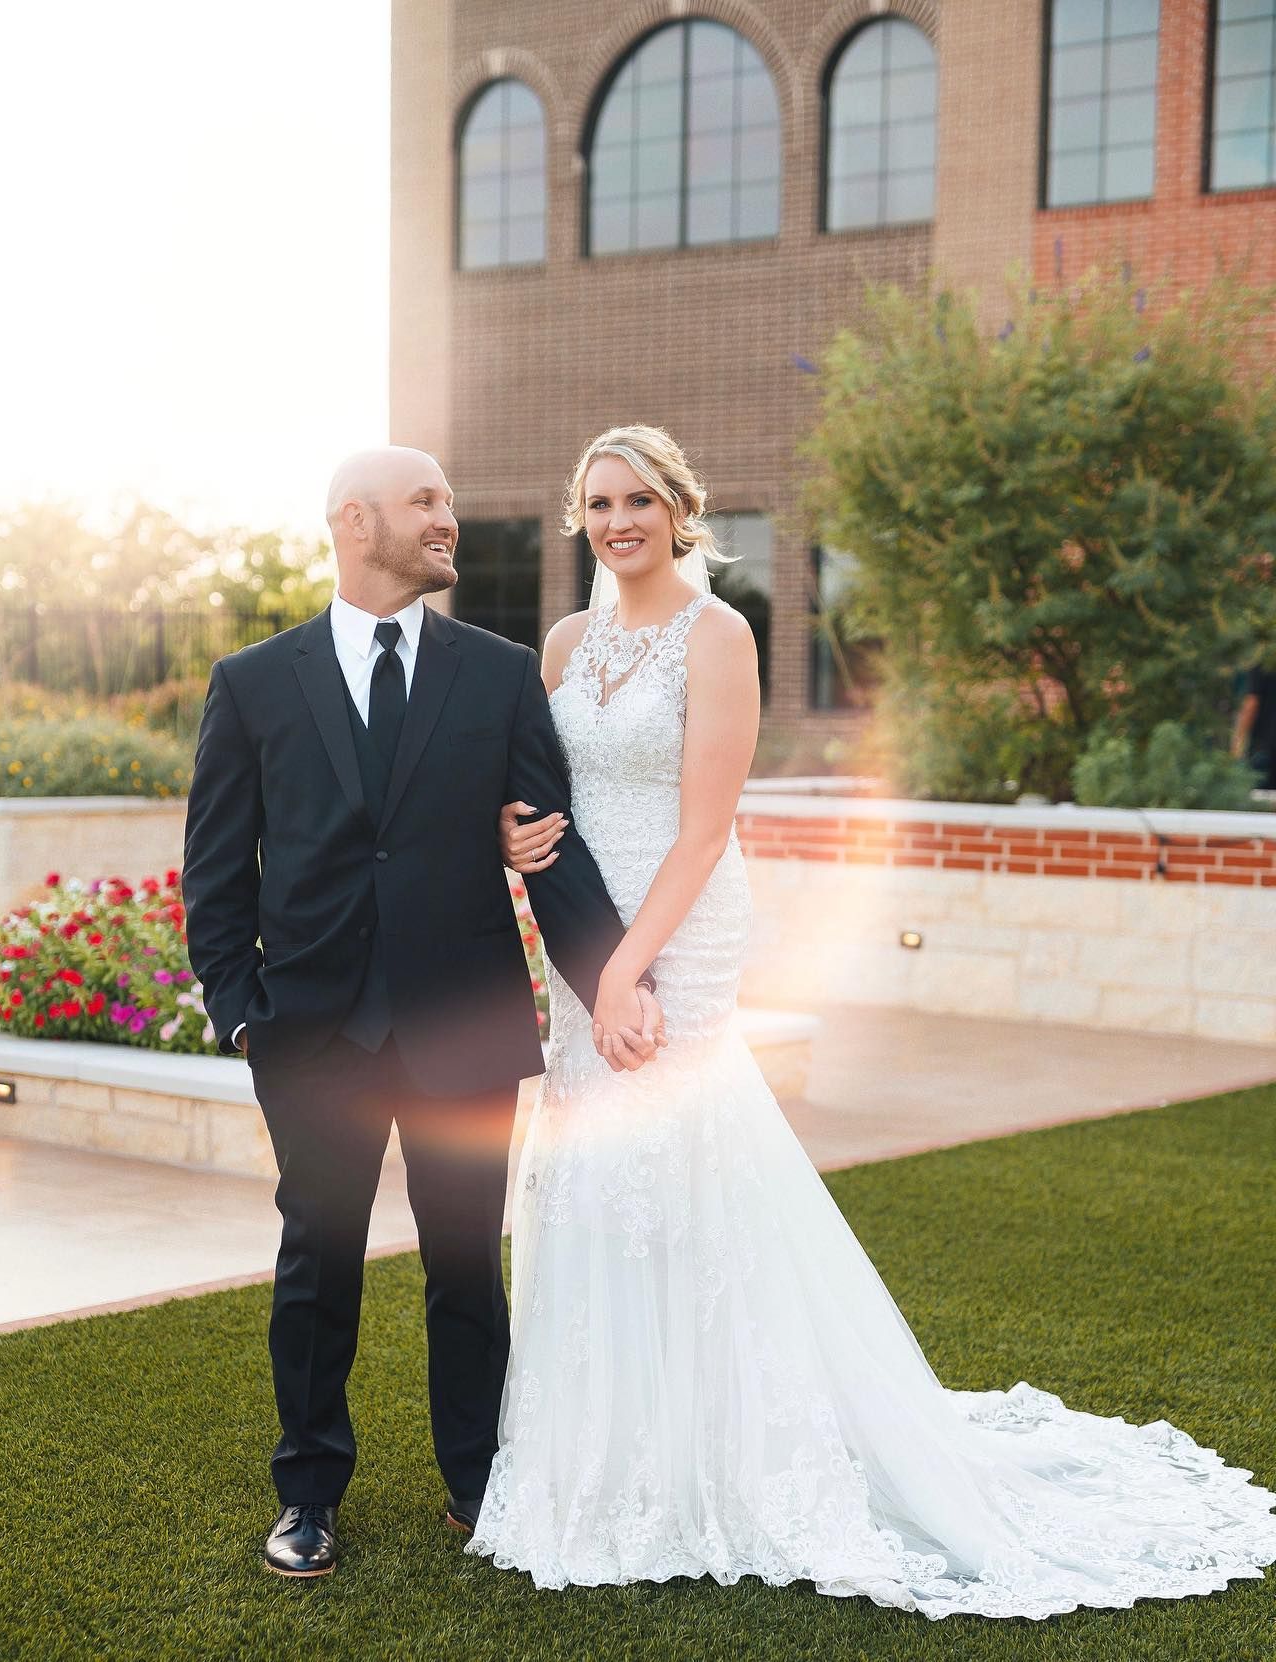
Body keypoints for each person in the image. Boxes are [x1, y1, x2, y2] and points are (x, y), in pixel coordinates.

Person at [466, 424, 1276, 1616]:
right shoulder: (565, 642)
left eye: (639, 499)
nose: (617, 519)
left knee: (683, 1154)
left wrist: (631, 973)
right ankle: (607, 1455)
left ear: (680, 510)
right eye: (598, 501)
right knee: (597, 1162)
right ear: (578, 517)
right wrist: (514, 851)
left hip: (678, 933)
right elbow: (538, 787)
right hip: (587, 936)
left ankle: (734, 1448)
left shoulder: (722, 636)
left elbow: (703, 830)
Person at [182, 446, 664, 1579]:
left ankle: (478, 1482)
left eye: (447, 500)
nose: (449, 518)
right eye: (426, 502)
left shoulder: (496, 675)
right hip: (310, 1033)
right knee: (318, 1266)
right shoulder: (253, 682)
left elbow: (549, 852)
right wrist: (244, 1014)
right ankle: (308, 1492)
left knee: (465, 1267)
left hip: (462, 1023)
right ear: (356, 522)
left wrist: (611, 987)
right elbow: (214, 872)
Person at [1232, 664, 1276, 790]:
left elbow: (1251, 703)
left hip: (1265, 746)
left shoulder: (1261, 661)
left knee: (1260, 801)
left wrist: (1238, 740)